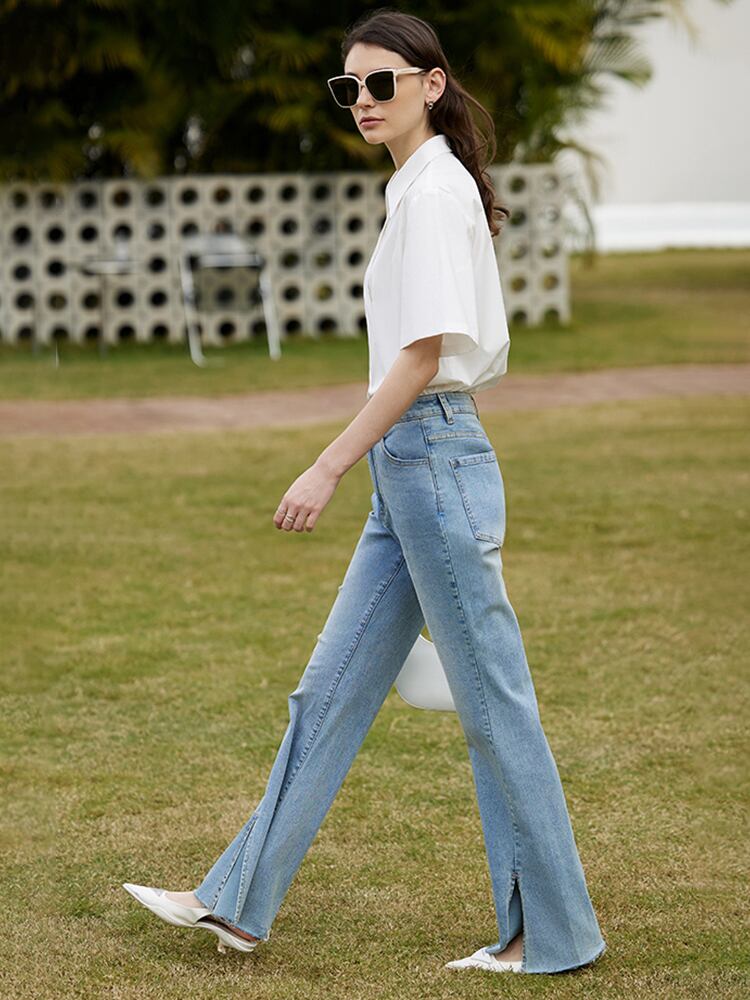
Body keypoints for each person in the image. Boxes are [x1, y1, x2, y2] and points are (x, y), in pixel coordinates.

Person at [123, 9, 608, 975]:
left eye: (382, 82)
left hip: (432, 459)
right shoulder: (420, 185)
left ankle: (549, 936)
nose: (364, 101)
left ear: (432, 84)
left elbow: (423, 356)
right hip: (413, 471)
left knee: (493, 707)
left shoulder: (433, 192)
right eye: (350, 87)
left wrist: (328, 463)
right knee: (331, 690)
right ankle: (236, 903)